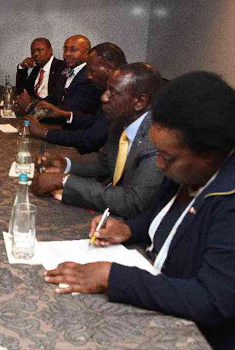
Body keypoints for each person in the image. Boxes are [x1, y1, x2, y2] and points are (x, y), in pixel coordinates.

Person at [44, 71, 235, 350]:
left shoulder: (229, 201)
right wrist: (129, 229)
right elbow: (164, 213)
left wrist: (112, 276)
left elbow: (211, 299)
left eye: (167, 157)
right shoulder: (189, 169)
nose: (158, 164)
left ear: (208, 153)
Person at [31, 62, 164, 219]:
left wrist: (65, 181)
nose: (103, 97)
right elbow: (104, 161)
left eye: (113, 92)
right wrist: (65, 164)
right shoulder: (120, 121)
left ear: (140, 102)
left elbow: (133, 201)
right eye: (106, 89)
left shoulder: (158, 140)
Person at [26, 42, 126, 155]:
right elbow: (94, 121)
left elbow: (93, 138)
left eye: (92, 71)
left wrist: (45, 133)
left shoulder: (122, 97)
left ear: (109, 68)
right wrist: (64, 114)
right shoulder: (110, 90)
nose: (88, 76)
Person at [28, 35, 103, 123]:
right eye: (65, 49)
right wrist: (34, 105)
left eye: (73, 49)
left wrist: (30, 106)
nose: (67, 54)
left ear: (87, 54)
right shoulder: (66, 72)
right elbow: (53, 98)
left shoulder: (90, 77)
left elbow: (70, 109)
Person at [15, 38, 66, 114]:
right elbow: (22, 90)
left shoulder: (61, 67)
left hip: (49, 114)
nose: (35, 54)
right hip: (31, 112)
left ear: (50, 51)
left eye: (39, 50)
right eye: (32, 52)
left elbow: (56, 98)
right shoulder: (37, 68)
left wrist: (32, 103)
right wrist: (22, 67)